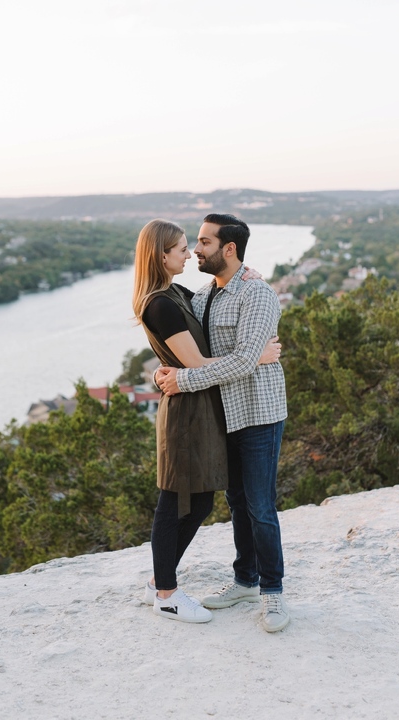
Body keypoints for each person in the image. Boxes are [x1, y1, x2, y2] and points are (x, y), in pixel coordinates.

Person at [132, 218, 280, 624]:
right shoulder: (167, 300)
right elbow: (188, 359)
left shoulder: (184, 293)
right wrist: (254, 357)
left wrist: (172, 371)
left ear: (228, 248)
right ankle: (166, 590)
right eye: (184, 246)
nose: (192, 251)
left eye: (199, 243)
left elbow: (184, 357)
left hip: (226, 411)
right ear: (161, 255)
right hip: (194, 412)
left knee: (221, 503)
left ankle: (264, 589)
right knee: (179, 500)